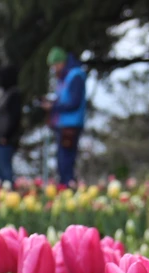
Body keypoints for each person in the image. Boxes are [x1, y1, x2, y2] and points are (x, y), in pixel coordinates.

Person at [43, 47, 86, 187]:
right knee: (61, 160)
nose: (54, 69)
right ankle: (64, 187)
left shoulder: (75, 75)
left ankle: (68, 187)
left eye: (55, 65)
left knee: (66, 160)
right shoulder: (64, 77)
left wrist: (54, 107)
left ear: (62, 62)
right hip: (61, 123)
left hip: (71, 125)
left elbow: (74, 102)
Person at [0, 66, 21, 185]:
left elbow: (14, 118)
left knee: (5, 170)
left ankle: (10, 196)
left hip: (5, 138)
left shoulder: (13, 94)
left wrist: (7, 136)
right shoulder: (0, 93)